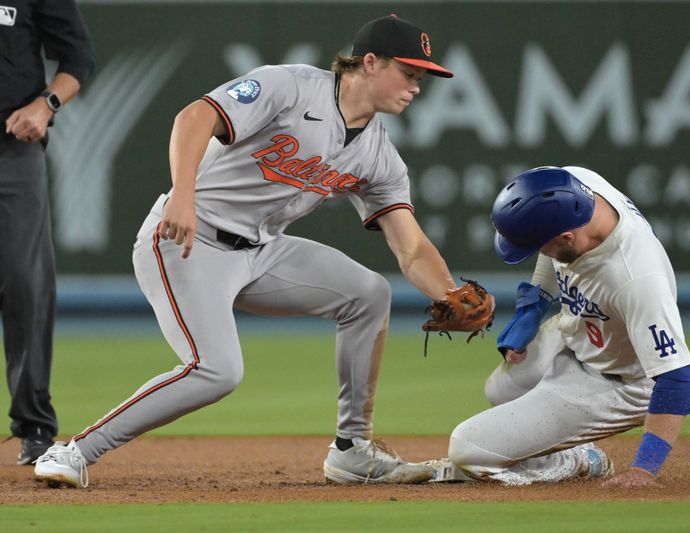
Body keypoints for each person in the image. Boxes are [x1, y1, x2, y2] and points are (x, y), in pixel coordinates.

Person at [34, 14, 475, 488]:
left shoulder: (379, 155)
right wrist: (183, 193)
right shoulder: (289, 87)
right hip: (187, 241)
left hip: (262, 252)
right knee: (217, 371)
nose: (417, 86)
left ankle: (353, 451)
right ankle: (75, 451)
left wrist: (448, 290)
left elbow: (410, 246)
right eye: (409, 73)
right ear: (370, 62)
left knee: (368, 294)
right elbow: (194, 116)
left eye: (421, 77)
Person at [433, 166, 690, 487]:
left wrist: (644, 470)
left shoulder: (636, 279)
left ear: (567, 237)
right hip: (578, 332)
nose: (537, 253)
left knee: (467, 448)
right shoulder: (576, 186)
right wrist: (536, 303)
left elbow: (677, 381)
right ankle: (570, 447)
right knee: (502, 388)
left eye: (537, 245)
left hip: (621, 382)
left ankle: (577, 461)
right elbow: (552, 250)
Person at [1, 0, 94, 465]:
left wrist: (45, 104)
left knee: (25, 279)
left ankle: (34, 424)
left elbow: (78, 57)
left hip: (10, 147)